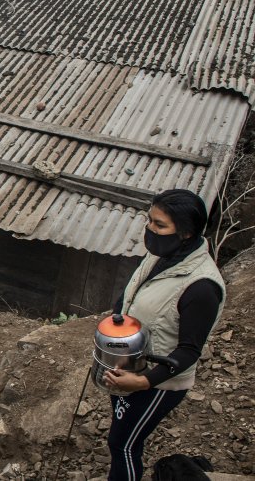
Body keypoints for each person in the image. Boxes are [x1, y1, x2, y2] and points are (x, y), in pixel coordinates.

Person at [104, 189, 226, 481]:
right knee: (121, 435)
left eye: (159, 225)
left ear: (185, 233)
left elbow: (188, 351)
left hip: (159, 383)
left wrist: (143, 381)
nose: (150, 229)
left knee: (123, 444)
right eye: (149, 221)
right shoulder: (161, 255)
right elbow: (134, 289)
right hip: (131, 365)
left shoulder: (201, 287)